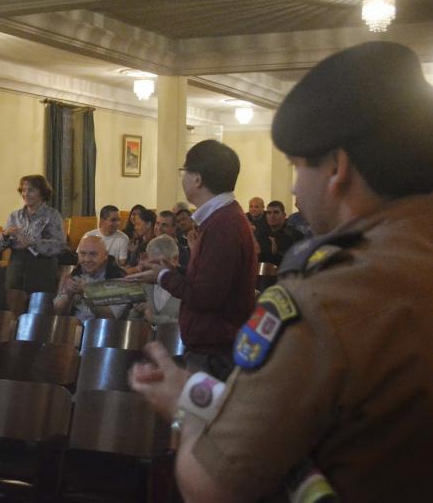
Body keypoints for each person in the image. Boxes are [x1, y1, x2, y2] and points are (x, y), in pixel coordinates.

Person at [130, 41, 433, 502]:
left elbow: (213, 484)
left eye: (296, 166)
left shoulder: (331, 300)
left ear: (337, 169)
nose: (293, 188)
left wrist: (181, 409)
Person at [128, 139, 257, 380]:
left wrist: (163, 276)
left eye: (184, 172)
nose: (182, 178)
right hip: (212, 348)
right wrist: (176, 270)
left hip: (215, 353)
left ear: (197, 179)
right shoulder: (223, 217)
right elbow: (212, 280)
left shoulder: (223, 224)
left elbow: (206, 296)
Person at [0, 174, 67, 294]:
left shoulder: (52, 215)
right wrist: (5, 234)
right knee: (14, 308)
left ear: (42, 193)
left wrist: (33, 243)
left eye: (31, 190)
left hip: (42, 269)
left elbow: (60, 246)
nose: (25, 194)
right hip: (16, 268)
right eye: (23, 190)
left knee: (39, 309)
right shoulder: (14, 216)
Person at [53, 235, 127, 321]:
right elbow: (56, 312)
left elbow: (111, 317)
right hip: (73, 330)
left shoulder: (119, 277)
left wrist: (87, 293)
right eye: (83, 253)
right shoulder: (75, 275)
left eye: (93, 254)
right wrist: (68, 296)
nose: (87, 259)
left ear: (105, 255)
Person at [127, 235, 181, 325]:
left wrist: (154, 319)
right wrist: (137, 312)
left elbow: (192, 325)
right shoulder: (144, 285)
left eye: (160, 263)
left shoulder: (188, 286)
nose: (155, 268)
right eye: (151, 263)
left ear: (175, 260)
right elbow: (131, 324)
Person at [255, 200, 304, 265]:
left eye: (276, 212)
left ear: (284, 215)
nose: (272, 216)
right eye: (269, 213)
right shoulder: (260, 234)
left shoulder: (296, 235)